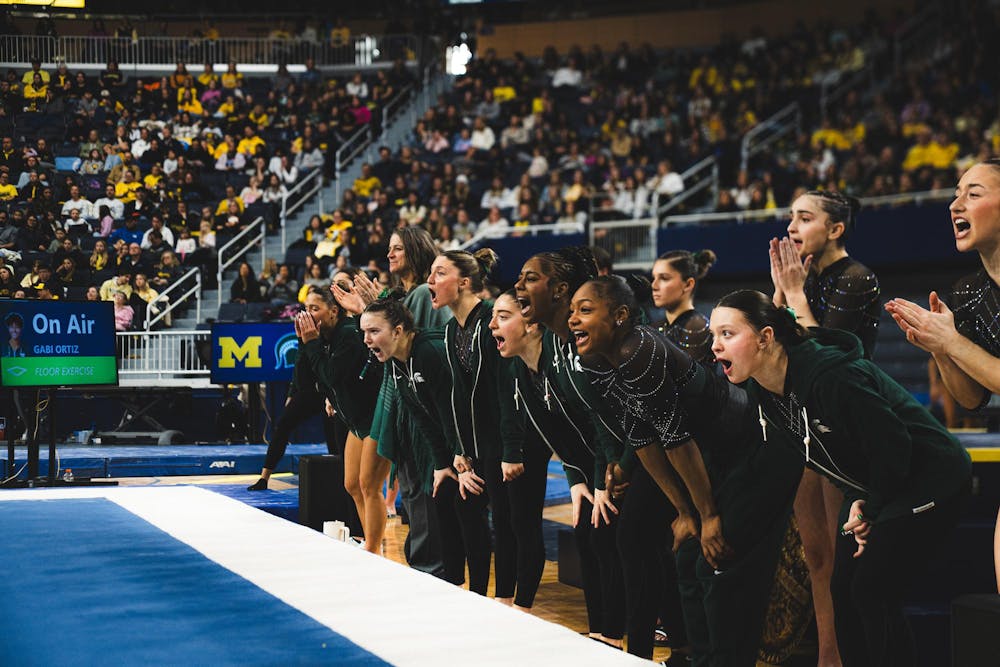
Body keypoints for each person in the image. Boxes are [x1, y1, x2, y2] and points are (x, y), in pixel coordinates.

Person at [710, 289, 972, 665]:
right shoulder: (764, 392)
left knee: (871, 590)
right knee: (843, 591)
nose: (715, 346)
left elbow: (893, 446)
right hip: (880, 482)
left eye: (727, 334)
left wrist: (871, 508)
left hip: (932, 476)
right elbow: (830, 455)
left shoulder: (830, 375)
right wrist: (858, 497)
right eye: (714, 335)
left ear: (766, 337)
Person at [770, 189, 880, 667]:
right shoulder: (803, 278)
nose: (792, 227)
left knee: (838, 556)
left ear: (835, 229)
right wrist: (781, 292)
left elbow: (827, 357)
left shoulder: (857, 278)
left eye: (804, 218)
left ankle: (848, 655)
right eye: (791, 217)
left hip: (842, 425)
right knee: (815, 554)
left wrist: (794, 293)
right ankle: (827, 656)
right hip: (803, 421)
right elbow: (775, 343)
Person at [512, 248, 627, 647]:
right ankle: (601, 634)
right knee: (588, 534)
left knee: (615, 540)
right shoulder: (551, 350)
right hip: (603, 464)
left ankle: (619, 637)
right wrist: (578, 479)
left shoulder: (582, 345)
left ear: (559, 290)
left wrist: (602, 479)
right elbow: (562, 432)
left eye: (530, 278)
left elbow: (608, 421)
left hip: (633, 458)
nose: (519, 285)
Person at [427, 248, 545, 609]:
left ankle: (514, 602)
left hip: (514, 438)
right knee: (468, 509)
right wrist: (460, 450)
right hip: (481, 443)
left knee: (516, 523)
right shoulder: (451, 330)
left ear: (464, 282)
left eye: (439, 273)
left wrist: (511, 450)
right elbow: (458, 396)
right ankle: (479, 597)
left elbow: (507, 390)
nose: (430, 280)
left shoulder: (490, 320)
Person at [335, 226, 453, 581]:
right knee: (408, 489)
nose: (390, 254)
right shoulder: (406, 295)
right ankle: (419, 564)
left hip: (418, 407)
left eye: (398, 248)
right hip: (403, 404)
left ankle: (430, 570)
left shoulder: (422, 295)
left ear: (416, 250)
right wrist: (371, 309)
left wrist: (373, 308)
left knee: (419, 490)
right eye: (389, 248)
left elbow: (419, 352)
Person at [360, 297, 491, 592]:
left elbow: (455, 410)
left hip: (479, 438)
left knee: (468, 509)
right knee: (442, 497)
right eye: (364, 332)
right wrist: (442, 464)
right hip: (454, 446)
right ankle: (453, 584)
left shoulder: (429, 352)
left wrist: (463, 460)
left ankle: (480, 594)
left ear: (398, 330)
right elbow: (422, 419)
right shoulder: (396, 362)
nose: (367, 340)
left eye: (374, 331)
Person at [886, 159, 1000, 410]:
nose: (954, 205)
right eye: (957, 194)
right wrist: (938, 347)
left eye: (973, 194)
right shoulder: (968, 291)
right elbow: (972, 398)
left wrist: (952, 342)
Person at [650, 249, 716, 363]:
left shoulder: (698, 328)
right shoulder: (655, 327)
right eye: (654, 278)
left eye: (664, 278)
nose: (654, 286)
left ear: (688, 284)